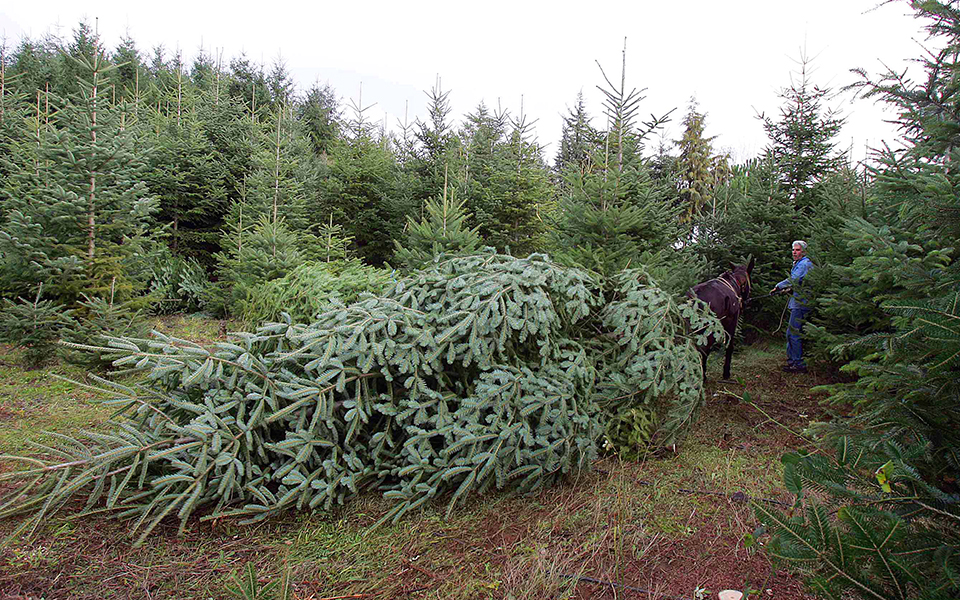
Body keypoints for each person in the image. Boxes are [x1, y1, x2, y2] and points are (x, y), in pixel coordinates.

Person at [770, 240, 813, 373]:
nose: (794, 252)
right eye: (793, 250)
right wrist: (788, 290)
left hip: (801, 303)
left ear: (804, 252)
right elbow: (799, 282)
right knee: (791, 333)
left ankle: (798, 364)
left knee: (793, 333)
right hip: (797, 301)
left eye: (797, 250)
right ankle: (793, 362)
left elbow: (793, 279)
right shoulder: (798, 264)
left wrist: (778, 286)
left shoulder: (804, 264)